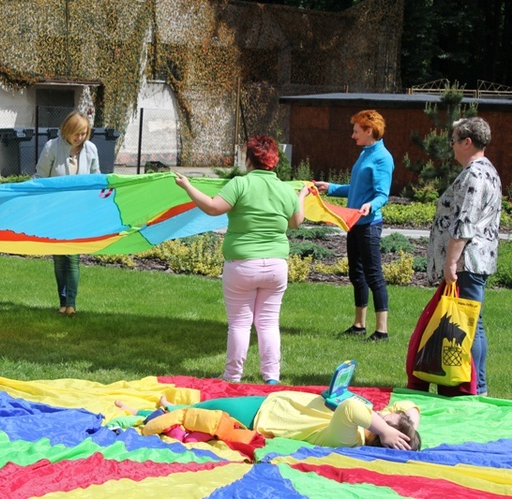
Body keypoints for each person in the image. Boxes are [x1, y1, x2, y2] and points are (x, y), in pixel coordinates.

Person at [175, 134, 309, 384]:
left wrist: (188, 186)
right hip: (276, 266)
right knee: (269, 323)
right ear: (274, 162)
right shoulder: (285, 189)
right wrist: (301, 196)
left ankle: (232, 376)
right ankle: (272, 378)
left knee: (239, 324)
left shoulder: (240, 184)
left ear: (248, 160)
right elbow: (296, 222)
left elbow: (214, 207)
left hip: (242, 265)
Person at [424, 117, 502, 397]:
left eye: (455, 140)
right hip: (475, 260)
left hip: (467, 262)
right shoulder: (488, 171)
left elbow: (465, 223)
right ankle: (471, 384)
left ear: (468, 142)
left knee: (469, 324)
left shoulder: (475, 174)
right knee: (473, 323)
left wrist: (450, 263)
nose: (452, 146)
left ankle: (474, 386)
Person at [314, 110, 394, 342]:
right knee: (356, 274)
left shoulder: (381, 158)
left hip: (369, 225)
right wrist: (330, 187)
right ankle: (359, 325)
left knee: (373, 276)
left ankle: (381, 331)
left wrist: (371, 205)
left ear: (369, 131)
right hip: (354, 223)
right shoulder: (365, 154)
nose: (352, 135)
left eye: (356, 131)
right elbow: (356, 188)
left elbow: (382, 194)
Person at [117, 391, 421, 451]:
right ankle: (169, 405)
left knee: (197, 415)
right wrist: (408, 427)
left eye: (388, 418)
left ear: (382, 432)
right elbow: (409, 405)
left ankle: (139, 415)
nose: (385, 411)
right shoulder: (370, 426)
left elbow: (350, 409)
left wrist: (384, 428)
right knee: (201, 407)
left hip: (260, 416)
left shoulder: (350, 436)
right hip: (272, 403)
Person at [34, 110, 100, 317]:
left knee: (72, 257)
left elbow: (97, 178)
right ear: (67, 130)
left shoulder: (90, 149)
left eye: (83, 133)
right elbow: (40, 177)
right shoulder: (52, 147)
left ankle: (71, 304)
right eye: (76, 133)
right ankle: (62, 303)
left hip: (78, 212)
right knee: (59, 258)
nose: (79, 138)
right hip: (55, 211)